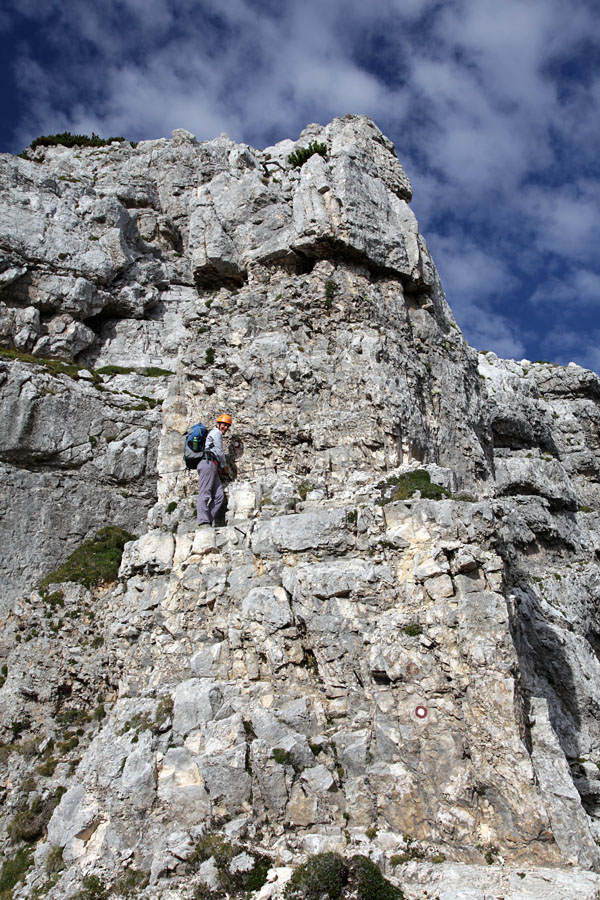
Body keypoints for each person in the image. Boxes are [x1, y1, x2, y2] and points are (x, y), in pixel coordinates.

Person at [197, 414, 232, 528]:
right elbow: (219, 451)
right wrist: (224, 466)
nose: (226, 428)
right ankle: (203, 522)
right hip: (208, 463)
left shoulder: (214, 433)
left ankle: (208, 520)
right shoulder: (216, 433)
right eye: (224, 425)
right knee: (205, 492)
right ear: (218, 424)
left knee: (219, 496)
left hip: (212, 465)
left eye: (228, 426)